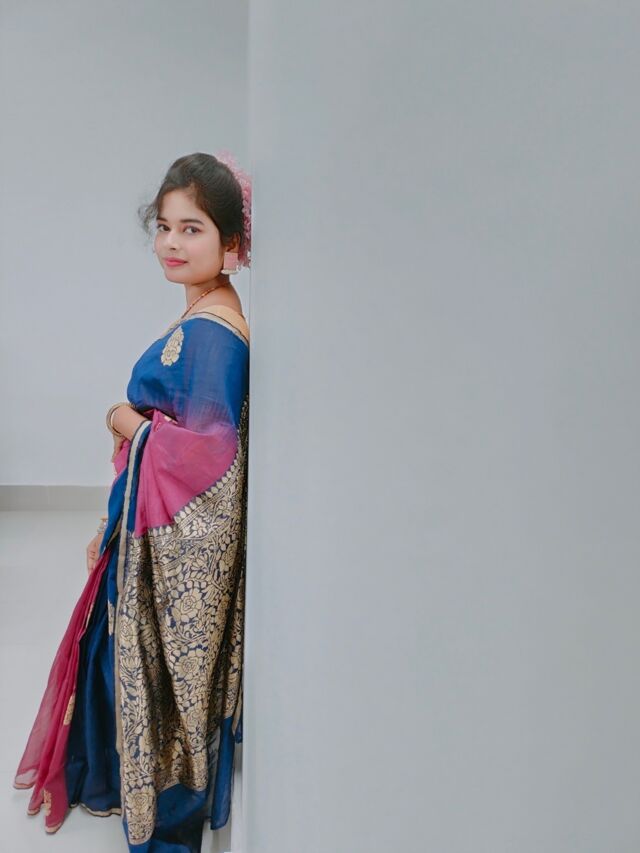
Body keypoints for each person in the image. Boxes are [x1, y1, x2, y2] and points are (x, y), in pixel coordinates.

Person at [12, 150, 252, 853]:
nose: (172, 243)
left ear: (231, 242)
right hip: (143, 517)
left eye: (192, 229)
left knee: (145, 671)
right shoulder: (205, 311)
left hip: (171, 534)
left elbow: (207, 454)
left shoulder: (214, 332)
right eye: (164, 227)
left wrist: (125, 419)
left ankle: (159, 806)